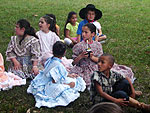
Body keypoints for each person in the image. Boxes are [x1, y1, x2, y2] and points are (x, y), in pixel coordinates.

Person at [27, 41, 86, 108]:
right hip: (50, 83)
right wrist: (67, 85)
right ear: (64, 53)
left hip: (44, 78)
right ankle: (68, 86)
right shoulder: (58, 65)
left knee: (72, 79)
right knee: (73, 83)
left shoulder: (50, 59)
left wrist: (69, 75)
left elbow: (60, 73)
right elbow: (54, 81)